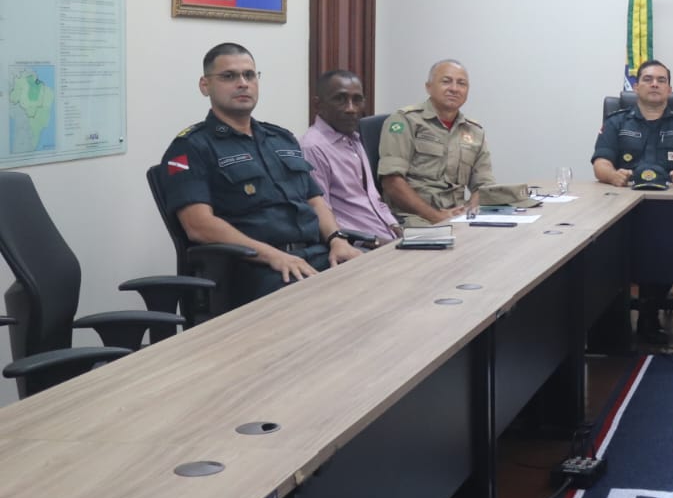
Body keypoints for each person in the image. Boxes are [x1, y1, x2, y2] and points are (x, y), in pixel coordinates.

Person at [160, 43, 361, 306]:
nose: (242, 83)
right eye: (229, 76)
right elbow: (199, 226)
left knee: (379, 279)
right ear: (205, 85)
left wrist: (337, 239)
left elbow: (314, 200)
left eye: (249, 75)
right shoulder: (191, 147)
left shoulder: (281, 139)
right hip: (255, 269)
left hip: (314, 256)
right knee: (334, 306)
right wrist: (272, 256)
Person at [592, 59, 673, 344]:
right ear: (636, 87)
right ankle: (607, 325)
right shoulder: (616, 121)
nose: (654, 84)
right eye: (647, 79)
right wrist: (612, 176)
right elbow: (601, 163)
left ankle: (648, 316)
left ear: (669, 88)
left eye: (660, 80)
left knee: (662, 242)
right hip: (621, 208)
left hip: (670, 210)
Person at [378, 59, 495, 226]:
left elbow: (483, 185)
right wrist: (436, 217)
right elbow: (392, 182)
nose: (454, 89)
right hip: (413, 217)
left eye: (461, 84)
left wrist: (469, 212)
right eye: (446, 81)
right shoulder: (405, 121)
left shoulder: (474, 131)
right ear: (429, 87)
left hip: (456, 216)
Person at [302, 69, 399, 244]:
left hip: (386, 237)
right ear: (318, 105)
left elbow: (372, 197)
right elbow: (321, 213)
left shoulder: (353, 138)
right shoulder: (313, 147)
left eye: (357, 100)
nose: (351, 109)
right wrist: (379, 243)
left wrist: (396, 229)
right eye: (340, 99)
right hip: (359, 245)